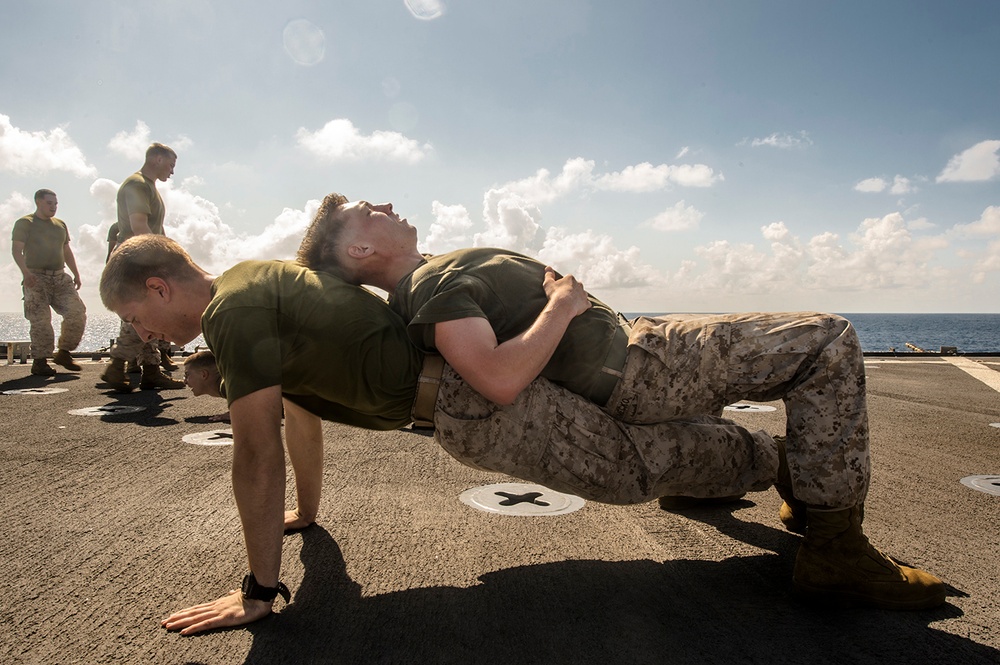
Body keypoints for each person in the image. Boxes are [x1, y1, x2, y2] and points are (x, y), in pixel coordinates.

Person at [100, 237, 944, 636]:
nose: (143, 334)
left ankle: (791, 490)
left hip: (473, 401)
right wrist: (305, 517)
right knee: (634, 463)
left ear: (159, 282)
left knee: (633, 463)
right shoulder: (250, 293)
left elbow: (253, 451)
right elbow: (299, 416)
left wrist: (258, 588)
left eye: (135, 316)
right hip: (471, 399)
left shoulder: (235, 309)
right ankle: (778, 468)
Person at [297, 194, 946, 607]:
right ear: (361, 248)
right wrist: (564, 304)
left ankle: (786, 492)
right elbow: (496, 377)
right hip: (640, 363)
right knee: (827, 340)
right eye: (367, 211)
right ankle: (836, 546)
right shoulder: (432, 288)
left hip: (631, 359)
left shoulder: (430, 273)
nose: (382, 203)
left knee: (722, 422)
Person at [100, 142, 184, 392]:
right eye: (170, 165)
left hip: (142, 255)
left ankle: (150, 371)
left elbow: (156, 229)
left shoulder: (148, 188)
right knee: (142, 313)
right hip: (138, 258)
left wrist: (170, 253)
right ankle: (116, 365)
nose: (171, 171)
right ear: (157, 159)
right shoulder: (137, 185)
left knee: (148, 312)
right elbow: (139, 226)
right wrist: (159, 259)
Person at [10, 189, 87, 376]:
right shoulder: (25, 223)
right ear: (38, 202)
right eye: (49, 203)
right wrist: (26, 273)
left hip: (60, 277)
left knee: (77, 312)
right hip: (36, 278)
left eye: (55, 203)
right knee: (41, 321)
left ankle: (64, 352)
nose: (53, 207)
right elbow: (16, 250)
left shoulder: (60, 225)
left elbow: (66, 250)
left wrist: (76, 273)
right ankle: (40, 362)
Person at [182, 350, 230, 422]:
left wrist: (237, 412)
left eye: (187, 375)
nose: (185, 381)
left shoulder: (228, 385)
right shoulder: (226, 385)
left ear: (203, 374)